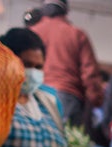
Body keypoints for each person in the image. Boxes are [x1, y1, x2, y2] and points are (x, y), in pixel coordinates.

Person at [29, 0, 104, 128]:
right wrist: (96, 100)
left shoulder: (31, 33)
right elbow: (89, 72)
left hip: (35, 95)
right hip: (66, 97)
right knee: (65, 138)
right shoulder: (77, 34)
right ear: (66, 11)